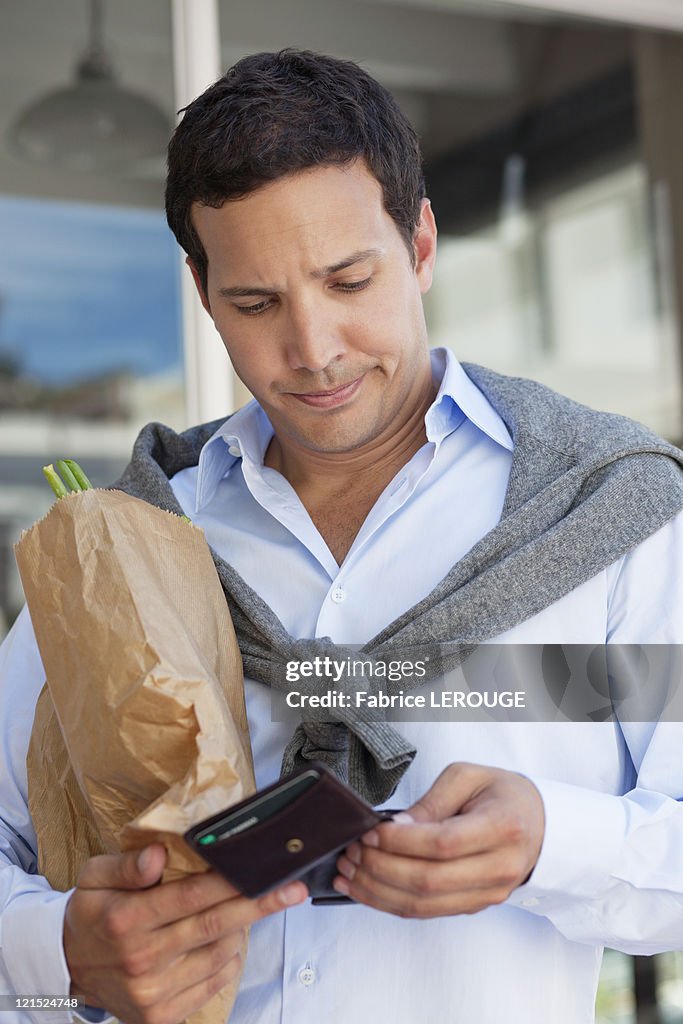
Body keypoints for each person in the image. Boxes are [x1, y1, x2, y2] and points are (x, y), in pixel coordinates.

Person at [2, 47, 683, 1024]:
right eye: (255, 303)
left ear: (420, 246)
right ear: (200, 292)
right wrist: (58, 947)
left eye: (348, 279)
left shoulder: (601, 514)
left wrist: (549, 842)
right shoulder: (131, 539)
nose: (312, 348)